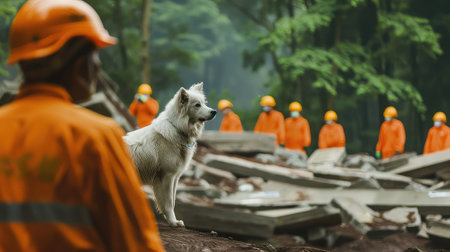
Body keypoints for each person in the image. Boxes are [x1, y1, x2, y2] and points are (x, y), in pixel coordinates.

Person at [0, 0, 165, 251]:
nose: (98, 66)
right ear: (78, 64)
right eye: (94, 55)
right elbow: (136, 243)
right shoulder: (95, 137)